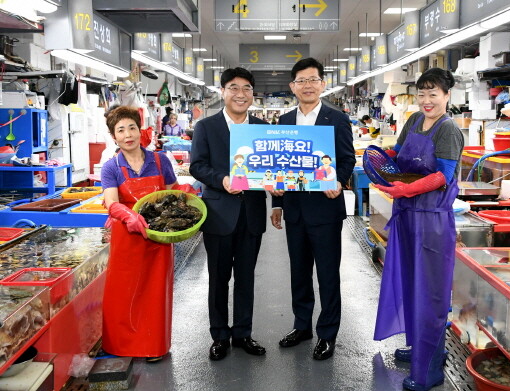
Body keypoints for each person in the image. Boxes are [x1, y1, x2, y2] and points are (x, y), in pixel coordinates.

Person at [372, 68, 464, 391]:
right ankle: (418, 349)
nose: (426, 101)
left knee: (432, 294)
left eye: (433, 94)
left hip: (432, 221)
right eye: (422, 94)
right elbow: (398, 155)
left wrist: (405, 190)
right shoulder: (412, 121)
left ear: (446, 95)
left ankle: (432, 368)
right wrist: (379, 158)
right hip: (407, 216)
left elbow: (442, 176)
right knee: (411, 284)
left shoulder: (448, 129)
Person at [270, 57, 355, 361]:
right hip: (294, 210)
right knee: (299, 272)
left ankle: (328, 333)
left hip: (325, 209)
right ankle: (302, 325)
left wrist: (339, 180)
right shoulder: (284, 122)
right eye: (301, 81)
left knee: (328, 275)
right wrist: (277, 201)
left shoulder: (337, 119)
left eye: (313, 80)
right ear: (293, 86)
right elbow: (279, 166)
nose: (308, 86)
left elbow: (347, 160)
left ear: (322, 84)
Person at [190, 67, 268, 361]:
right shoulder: (206, 127)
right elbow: (197, 165)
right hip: (219, 213)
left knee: (246, 277)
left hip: (251, 214)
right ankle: (220, 335)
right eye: (233, 87)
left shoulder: (262, 129)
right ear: (222, 91)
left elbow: (273, 168)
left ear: (252, 94)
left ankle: (243, 333)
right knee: (218, 277)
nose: (240, 93)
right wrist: (222, 179)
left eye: (246, 88)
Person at [101, 106, 177, 363]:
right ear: (114, 137)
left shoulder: (160, 160)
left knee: (155, 294)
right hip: (127, 239)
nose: (127, 134)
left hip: (158, 239)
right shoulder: (110, 167)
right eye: (120, 130)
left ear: (140, 130)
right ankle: (122, 346)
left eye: (131, 127)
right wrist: (127, 215)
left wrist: (184, 191)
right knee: (122, 293)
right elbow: (111, 201)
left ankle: (153, 347)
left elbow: (172, 193)